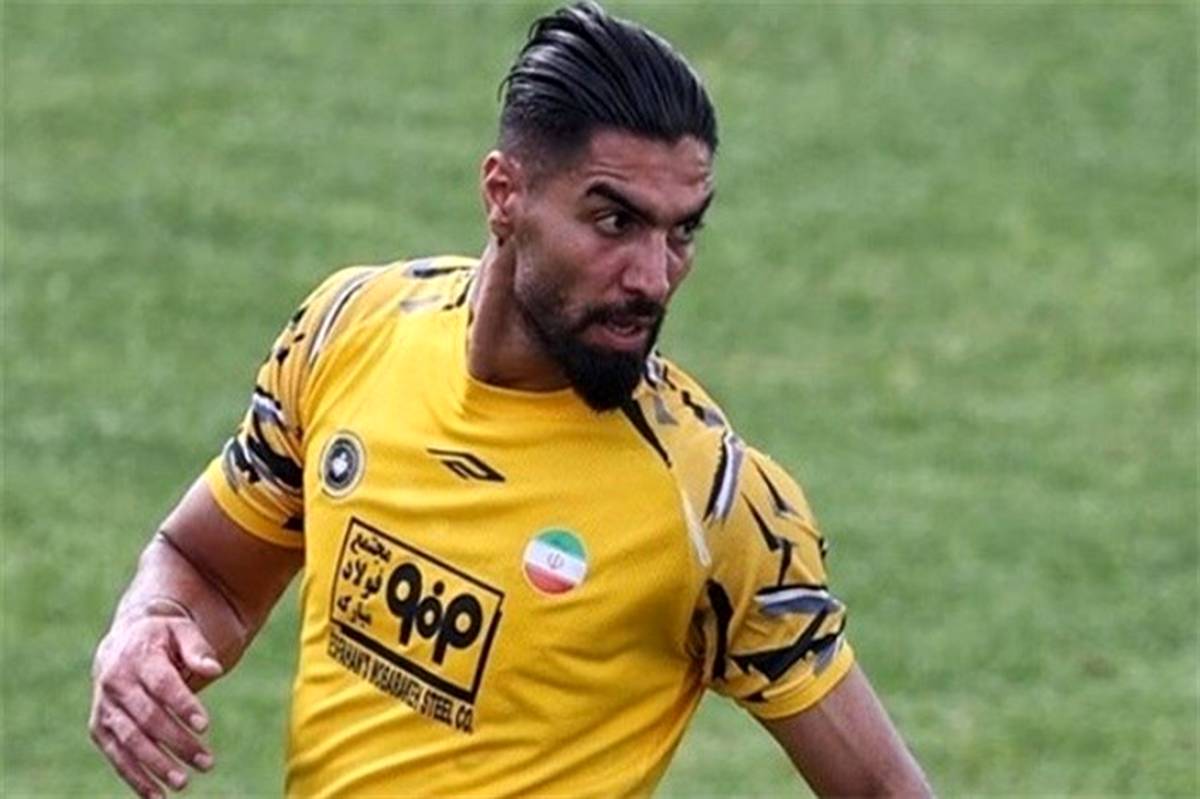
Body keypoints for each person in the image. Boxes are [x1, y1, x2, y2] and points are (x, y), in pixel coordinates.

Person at [89, 3, 932, 797]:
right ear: (504, 194)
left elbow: (883, 787)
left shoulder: (711, 503)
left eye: (681, 231)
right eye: (615, 222)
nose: (653, 276)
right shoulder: (351, 331)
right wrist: (149, 621)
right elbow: (209, 568)